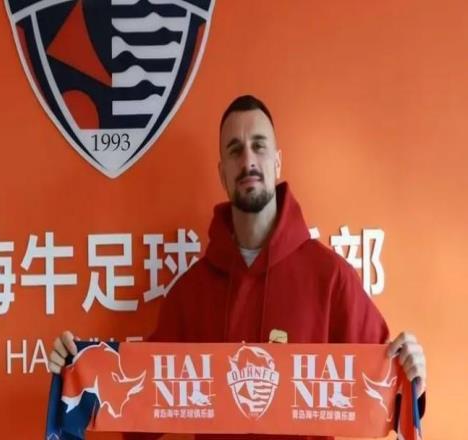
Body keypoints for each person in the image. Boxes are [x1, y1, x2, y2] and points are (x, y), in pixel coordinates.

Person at [49, 95, 426, 440]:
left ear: (277, 161)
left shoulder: (330, 279)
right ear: (222, 173)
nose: (248, 161)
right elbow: (140, 407)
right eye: (235, 150)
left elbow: (388, 393)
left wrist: (413, 377)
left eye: (259, 146)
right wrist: (75, 366)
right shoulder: (190, 293)